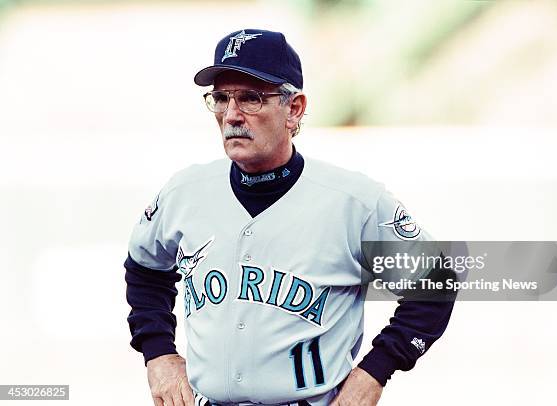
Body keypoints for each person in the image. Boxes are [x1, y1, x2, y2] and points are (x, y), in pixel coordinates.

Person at [125, 29, 455, 406]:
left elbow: (435, 282)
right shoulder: (184, 192)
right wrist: (159, 354)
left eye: (250, 98)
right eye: (220, 98)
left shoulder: (353, 201)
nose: (231, 115)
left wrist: (375, 371)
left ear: (294, 109)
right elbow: (145, 270)